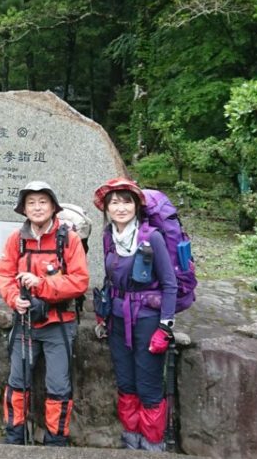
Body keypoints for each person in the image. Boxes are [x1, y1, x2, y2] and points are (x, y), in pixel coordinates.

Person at [0, 181, 89, 447]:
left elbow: (79, 281)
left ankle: (56, 442)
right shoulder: (16, 239)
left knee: (58, 386)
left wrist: (41, 284)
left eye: (43, 202)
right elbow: (4, 274)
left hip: (59, 323)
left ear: (53, 207)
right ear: (24, 209)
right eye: (31, 203)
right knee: (17, 382)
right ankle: (14, 437)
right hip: (25, 322)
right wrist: (14, 299)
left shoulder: (68, 239)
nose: (37, 208)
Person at [93, 177, 177, 452]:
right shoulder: (108, 236)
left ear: (136, 206)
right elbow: (110, 280)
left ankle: (152, 446)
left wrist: (165, 327)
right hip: (117, 320)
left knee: (148, 386)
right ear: (106, 208)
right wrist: (103, 314)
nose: (120, 208)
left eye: (126, 202)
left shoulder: (151, 237)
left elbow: (169, 284)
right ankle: (131, 441)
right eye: (114, 202)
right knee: (126, 383)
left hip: (147, 321)